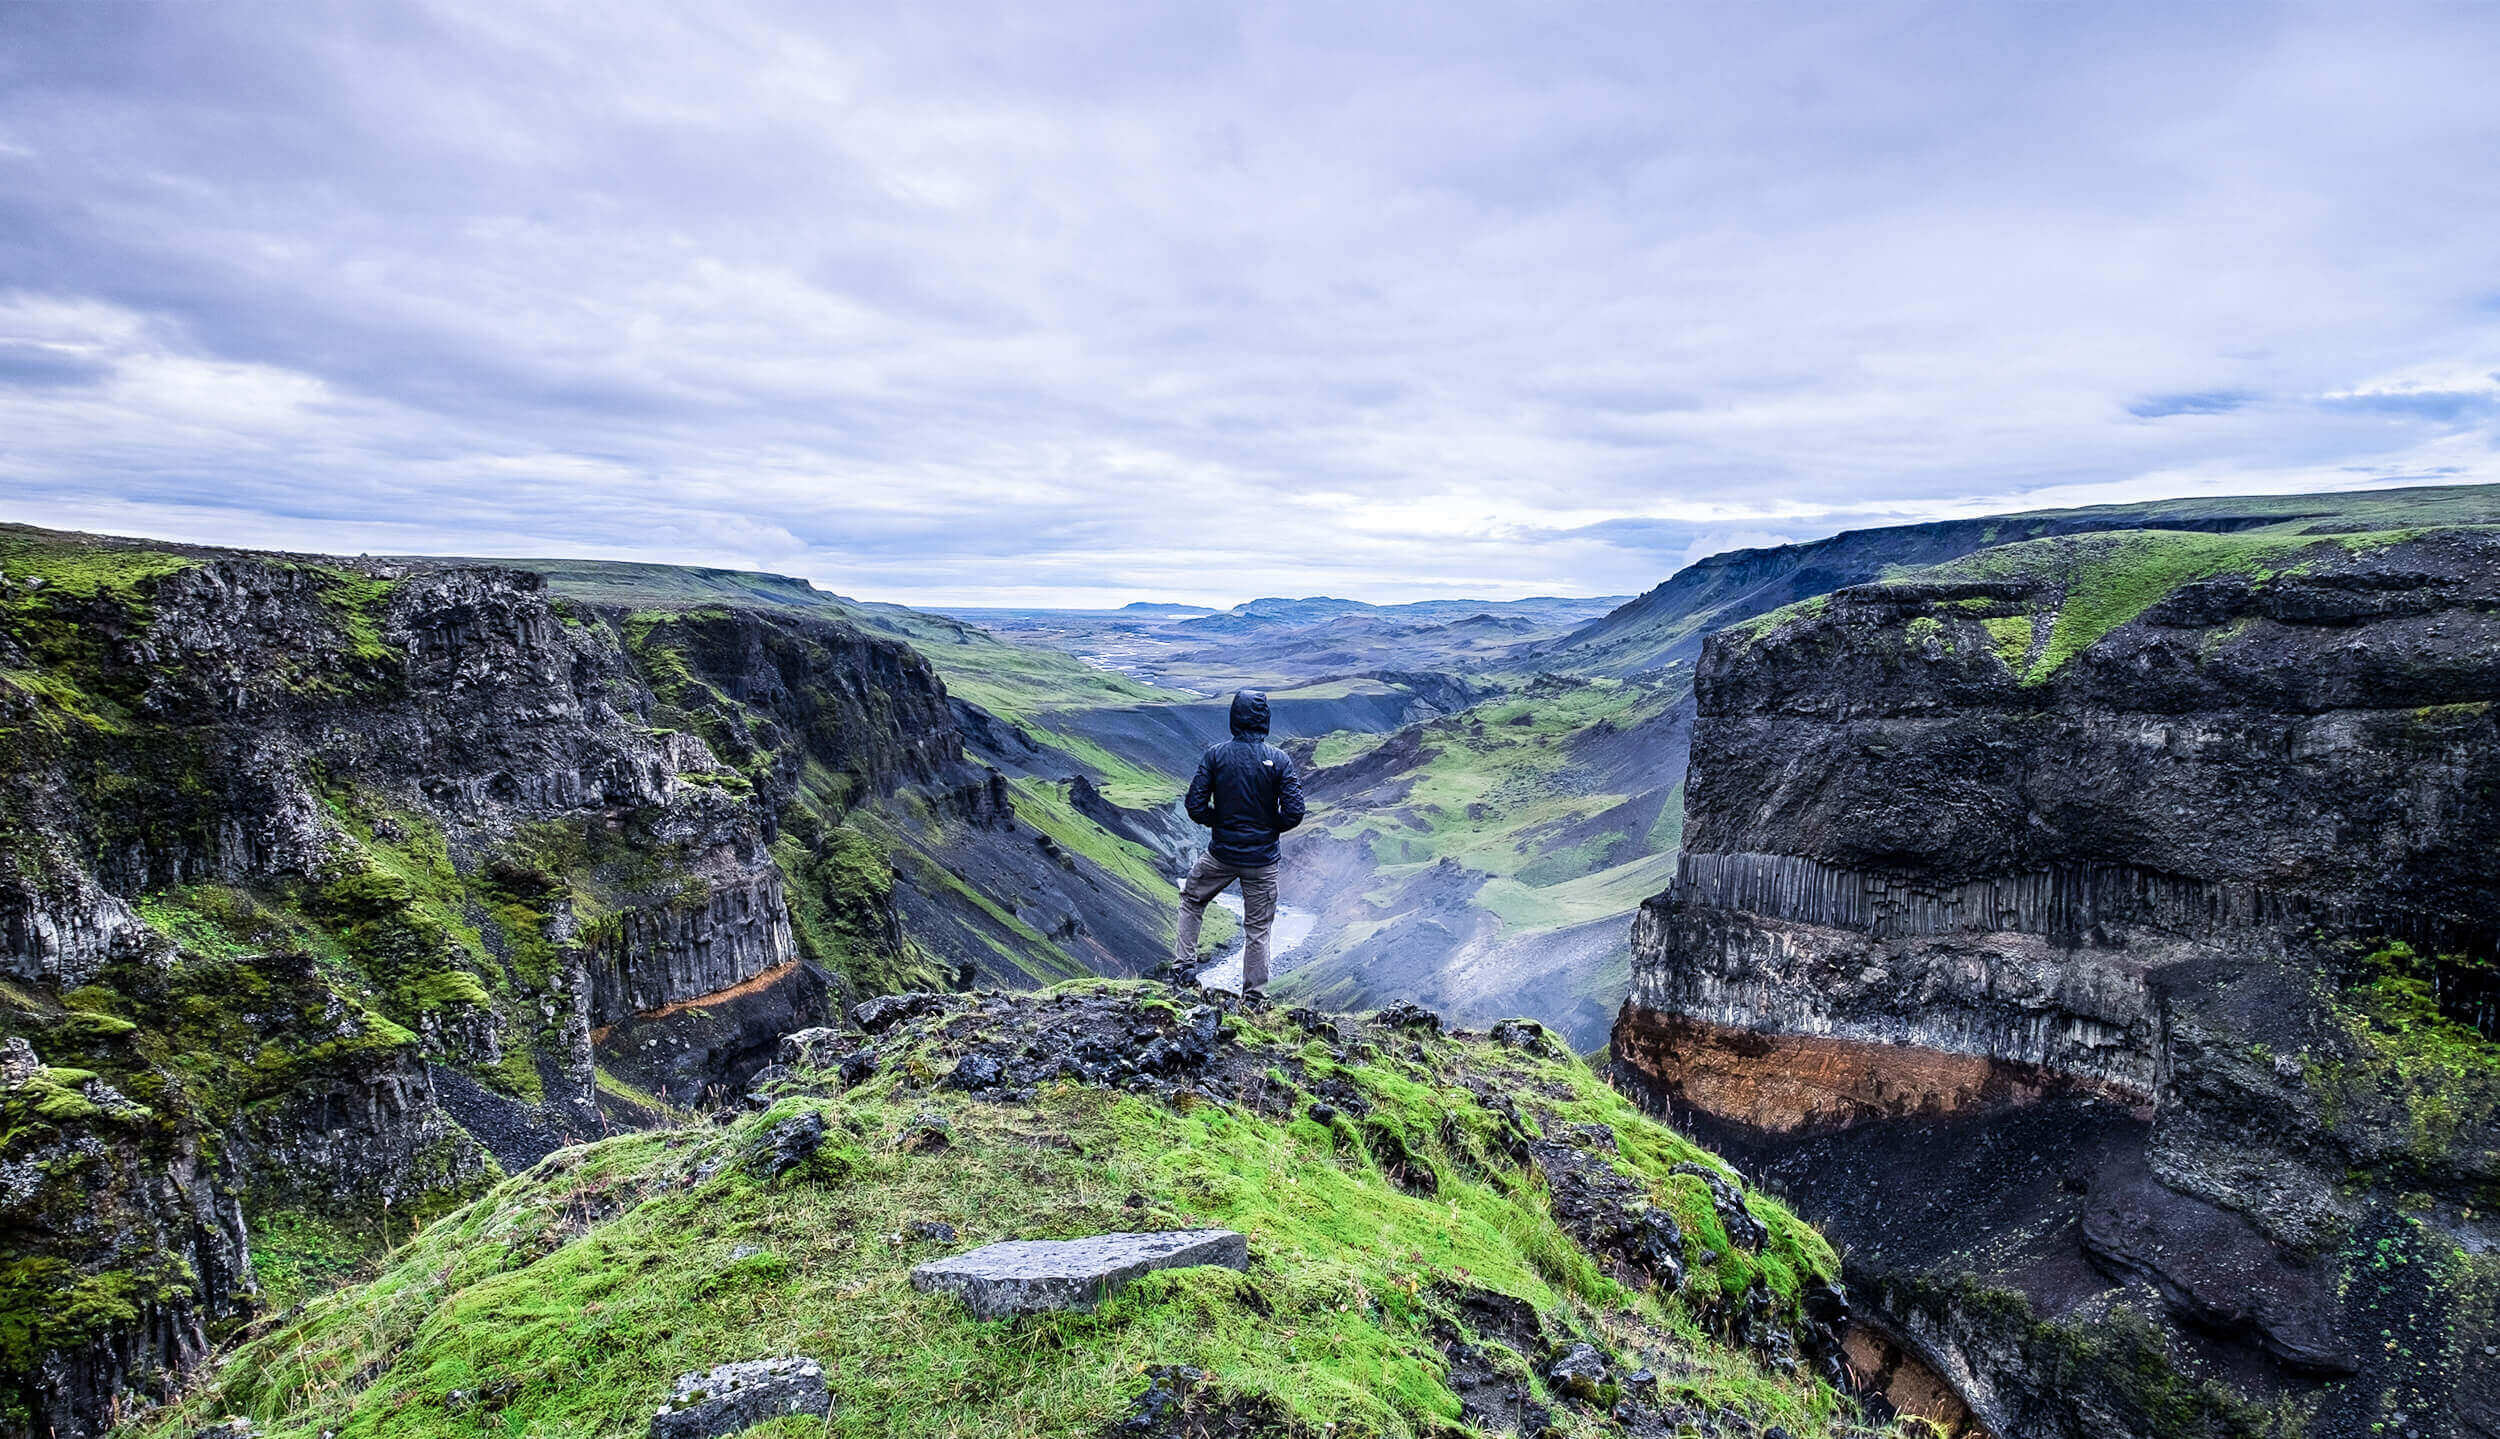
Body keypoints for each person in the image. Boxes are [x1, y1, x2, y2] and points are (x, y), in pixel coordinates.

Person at [1175, 689, 1306, 995]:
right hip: (1262, 860)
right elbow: (1295, 812)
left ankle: (1183, 970)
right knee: (1258, 929)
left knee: (1192, 900)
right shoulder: (1280, 759)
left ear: (1233, 718)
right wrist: (1268, 827)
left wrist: (1218, 821)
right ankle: (1255, 995)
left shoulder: (1216, 755)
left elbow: (1194, 805)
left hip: (1221, 854)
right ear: (1265, 720)